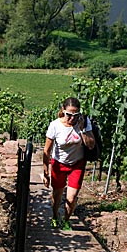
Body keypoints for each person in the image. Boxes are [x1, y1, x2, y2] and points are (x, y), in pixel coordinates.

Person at [43, 97, 95, 230]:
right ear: (63, 111)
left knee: (71, 198)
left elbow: (91, 145)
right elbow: (47, 150)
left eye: (75, 115)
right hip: (59, 163)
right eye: (69, 115)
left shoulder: (84, 122)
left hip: (77, 164)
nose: (72, 118)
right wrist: (46, 172)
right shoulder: (55, 125)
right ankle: (55, 216)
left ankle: (66, 220)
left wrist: (83, 129)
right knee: (57, 195)